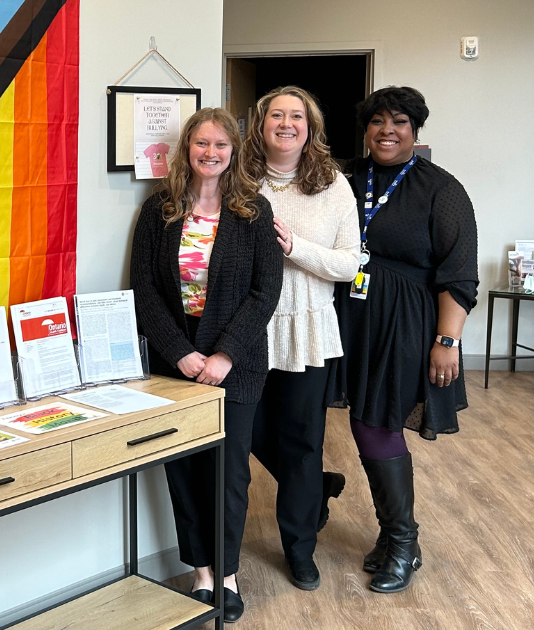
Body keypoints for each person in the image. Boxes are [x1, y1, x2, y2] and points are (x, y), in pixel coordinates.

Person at [130, 107, 283, 623]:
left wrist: (223, 355)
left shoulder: (254, 212)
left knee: (228, 474)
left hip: (236, 364)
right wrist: (180, 352)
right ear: (186, 150)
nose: (211, 153)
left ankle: (229, 576)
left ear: (234, 151)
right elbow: (145, 291)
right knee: (183, 469)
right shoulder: (160, 211)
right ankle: (200, 573)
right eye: (201, 144)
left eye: (221, 144)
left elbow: (265, 294)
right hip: (173, 362)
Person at [328, 86, 478, 593]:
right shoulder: (346, 177)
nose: (387, 131)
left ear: (416, 131)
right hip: (346, 315)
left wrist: (447, 341)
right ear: (365, 128)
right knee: (357, 420)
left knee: (378, 422)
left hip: (404, 321)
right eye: (377, 121)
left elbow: (459, 273)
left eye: (399, 122)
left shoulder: (441, 189)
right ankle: (393, 535)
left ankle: (403, 540)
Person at [242, 86, 360, 591]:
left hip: (308, 327)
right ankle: (316, 489)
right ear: (260, 124)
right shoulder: (239, 180)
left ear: (310, 127)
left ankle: (299, 547)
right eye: (276, 115)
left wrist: (296, 247)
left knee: (302, 441)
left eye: (297, 116)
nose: (286, 123)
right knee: (247, 435)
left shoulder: (333, 186)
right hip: (248, 328)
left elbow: (349, 265)